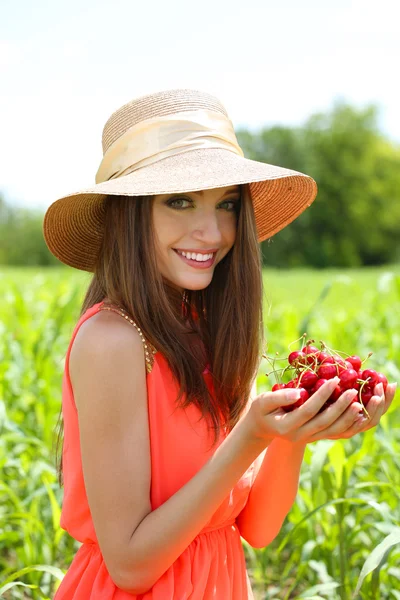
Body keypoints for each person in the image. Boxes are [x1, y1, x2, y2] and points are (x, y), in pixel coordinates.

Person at [43, 88, 396, 599]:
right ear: (128, 213)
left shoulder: (210, 329)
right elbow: (130, 567)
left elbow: (255, 529)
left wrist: (292, 437)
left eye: (227, 204)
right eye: (179, 201)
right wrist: (249, 437)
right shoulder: (113, 341)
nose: (210, 231)